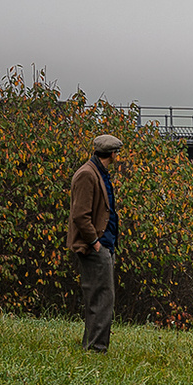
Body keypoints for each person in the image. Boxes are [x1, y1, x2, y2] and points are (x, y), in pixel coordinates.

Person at [67, 134, 125, 353]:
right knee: (102, 299)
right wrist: (95, 243)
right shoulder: (86, 175)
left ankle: (91, 345)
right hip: (94, 246)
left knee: (100, 297)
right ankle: (96, 349)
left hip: (104, 244)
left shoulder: (98, 172)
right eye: (117, 152)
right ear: (112, 153)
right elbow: (80, 215)